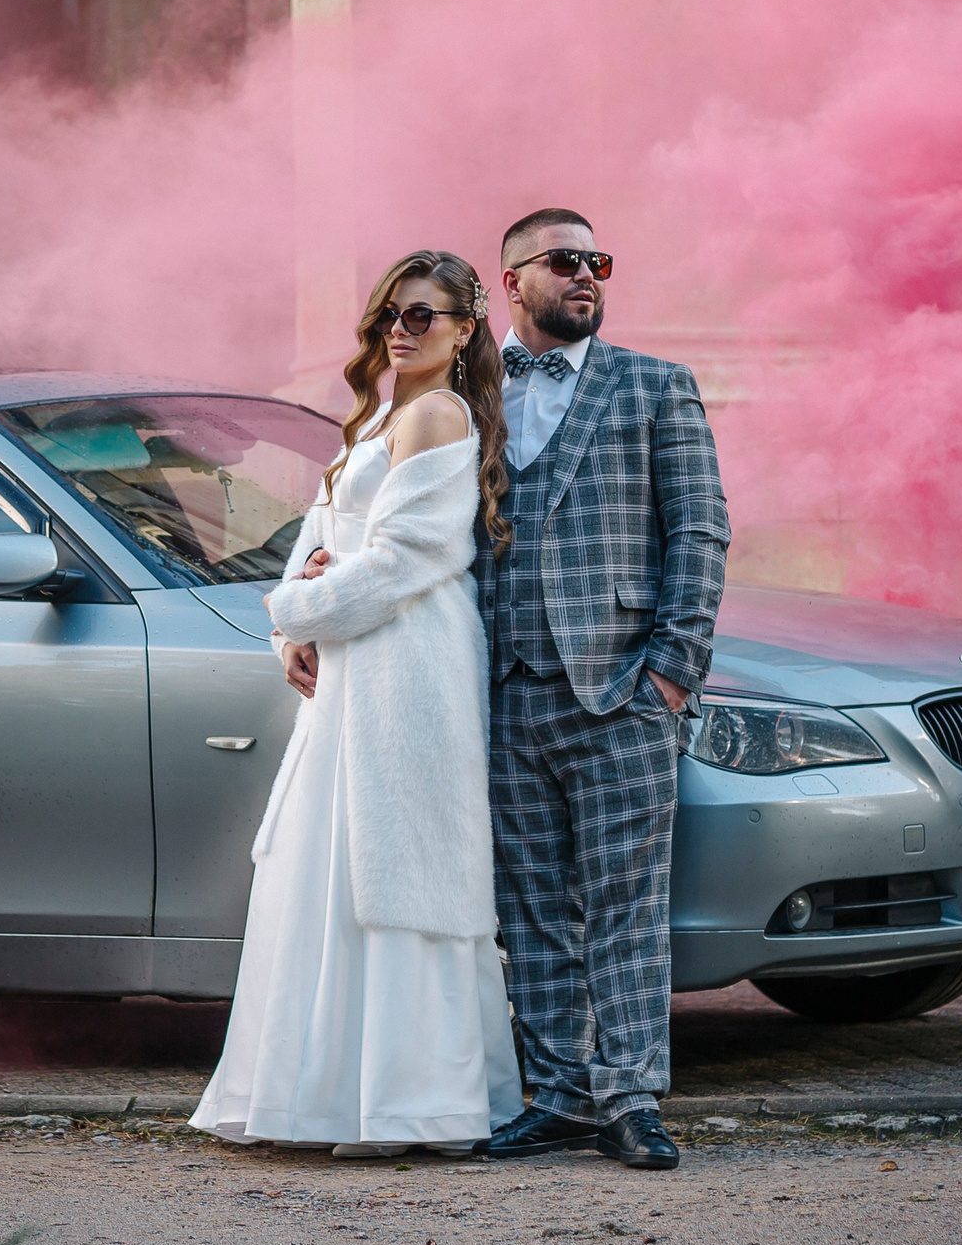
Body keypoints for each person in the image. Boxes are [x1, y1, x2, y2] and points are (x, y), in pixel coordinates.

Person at [190, 251, 524, 1157]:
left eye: (421, 316)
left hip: (410, 665)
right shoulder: (378, 413)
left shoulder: (437, 413)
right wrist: (291, 629)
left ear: (463, 330)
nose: (399, 330)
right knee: (330, 866)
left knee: (398, 864)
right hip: (352, 663)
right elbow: (318, 537)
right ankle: (337, 1099)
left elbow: (407, 558)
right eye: (389, 314)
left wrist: (295, 609)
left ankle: (410, 1104)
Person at [472, 208, 729, 1172]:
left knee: (627, 906)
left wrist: (670, 675)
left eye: (598, 260)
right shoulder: (467, 391)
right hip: (502, 694)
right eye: (565, 260)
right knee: (530, 908)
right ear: (512, 280)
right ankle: (558, 1095)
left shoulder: (657, 386)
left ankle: (630, 1097)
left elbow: (699, 530)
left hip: (621, 692)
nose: (587, 274)